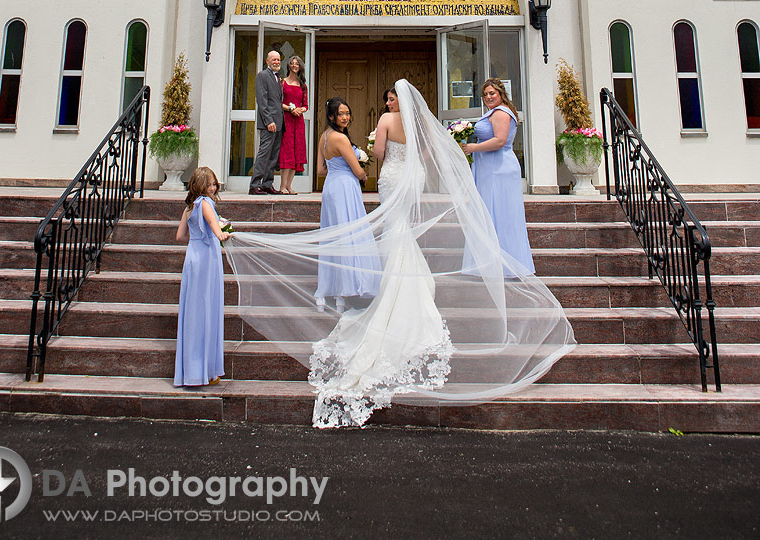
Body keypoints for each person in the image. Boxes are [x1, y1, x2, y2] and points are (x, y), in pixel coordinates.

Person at [226, 79, 575, 430]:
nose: (390, 100)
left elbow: (378, 154)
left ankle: (396, 277)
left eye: (391, 96)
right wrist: (412, 159)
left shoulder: (386, 121)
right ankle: (409, 271)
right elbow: (427, 151)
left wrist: (370, 153)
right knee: (403, 227)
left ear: (394, 101)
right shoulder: (419, 123)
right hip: (414, 176)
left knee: (395, 229)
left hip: (392, 175)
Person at [461, 79, 535, 276]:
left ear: (501, 93)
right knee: (490, 215)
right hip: (489, 169)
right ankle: (490, 262)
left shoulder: (502, 113)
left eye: (492, 93)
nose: (488, 97)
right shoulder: (494, 112)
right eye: (485, 94)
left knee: (501, 215)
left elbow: (500, 140)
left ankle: (506, 264)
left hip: (499, 169)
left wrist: (473, 147)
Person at [315, 98, 380, 313]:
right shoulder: (340, 138)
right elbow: (357, 170)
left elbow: (320, 171)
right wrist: (362, 171)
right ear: (332, 116)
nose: (345, 117)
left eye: (347, 113)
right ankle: (345, 291)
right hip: (344, 188)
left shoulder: (324, 136)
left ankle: (329, 291)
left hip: (331, 186)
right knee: (348, 236)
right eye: (341, 114)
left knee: (334, 237)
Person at [173, 166, 231, 388]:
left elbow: (180, 236)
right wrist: (221, 232)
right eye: (210, 184)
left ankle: (192, 371)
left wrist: (201, 233)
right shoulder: (205, 204)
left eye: (214, 183)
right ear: (200, 186)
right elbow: (217, 231)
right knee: (207, 310)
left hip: (192, 257)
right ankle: (206, 370)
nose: (213, 187)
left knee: (193, 311)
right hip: (207, 258)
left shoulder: (188, 207)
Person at [249, 50, 285, 195]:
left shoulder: (277, 77)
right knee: (264, 154)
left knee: (273, 156)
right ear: (267, 61)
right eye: (273, 60)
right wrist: (268, 120)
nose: (276, 62)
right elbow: (262, 101)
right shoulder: (262, 76)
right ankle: (255, 185)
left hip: (279, 124)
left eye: (278, 60)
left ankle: (267, 184)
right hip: (268, 124)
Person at [279, 55, 308, 194]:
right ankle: (282, 186)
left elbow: (305, 105)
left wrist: (300, 109)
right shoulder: (282, 83)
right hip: (287, 120)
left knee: (297, 153)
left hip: (299, 122)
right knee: (287, 152)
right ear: (289, 66)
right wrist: (291, 109)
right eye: (292, 63)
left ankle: (289, 186)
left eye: (297, 64)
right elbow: (279, 103)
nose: (295, 66)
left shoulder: (303, 85)